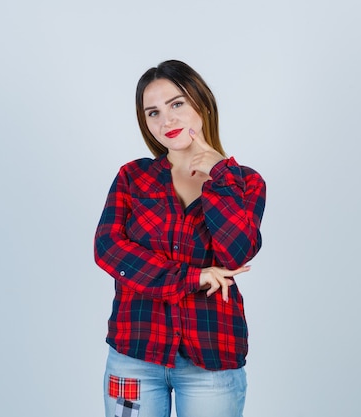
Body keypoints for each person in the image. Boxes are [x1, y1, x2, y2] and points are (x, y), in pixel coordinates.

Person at [94, 60, 266, 417]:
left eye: (177, 104)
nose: (166, 121)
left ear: (200, 104)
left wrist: (218, 174)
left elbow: (235, 254)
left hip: (212, 360)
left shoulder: (244, 183)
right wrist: (194, 276)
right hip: (134, 357)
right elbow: (109, 249)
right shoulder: (133, 177)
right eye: (153, 112)